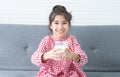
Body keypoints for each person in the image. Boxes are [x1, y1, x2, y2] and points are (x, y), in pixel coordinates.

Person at [31, 5, 88, 77]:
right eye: (56, 23)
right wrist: (46, 55)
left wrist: (74, 56)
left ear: (69, 25)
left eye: (64, 23)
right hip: (49, 73)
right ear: (51, 25)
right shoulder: (47, 40)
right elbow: (34, 58)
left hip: (69, 73)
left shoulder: (72, 40)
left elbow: (84, 58)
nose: (60, 27)